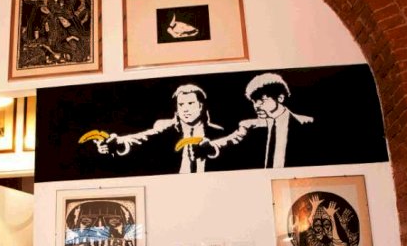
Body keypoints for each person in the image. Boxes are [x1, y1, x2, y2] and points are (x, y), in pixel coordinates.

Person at [92, 83, 225, 173]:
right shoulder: (166, 129)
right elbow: (143, 138)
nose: (185, 109)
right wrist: (119, 143)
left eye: (190, 103)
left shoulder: (217, 132)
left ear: (201, 106)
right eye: (181, 104)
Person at [203, 72, 314, 168]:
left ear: (280, 98)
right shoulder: (250, 125)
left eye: (262, 100)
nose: (256, 106)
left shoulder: (306, 123)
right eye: (254, 101)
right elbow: (232, 140)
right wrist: (211, 146)